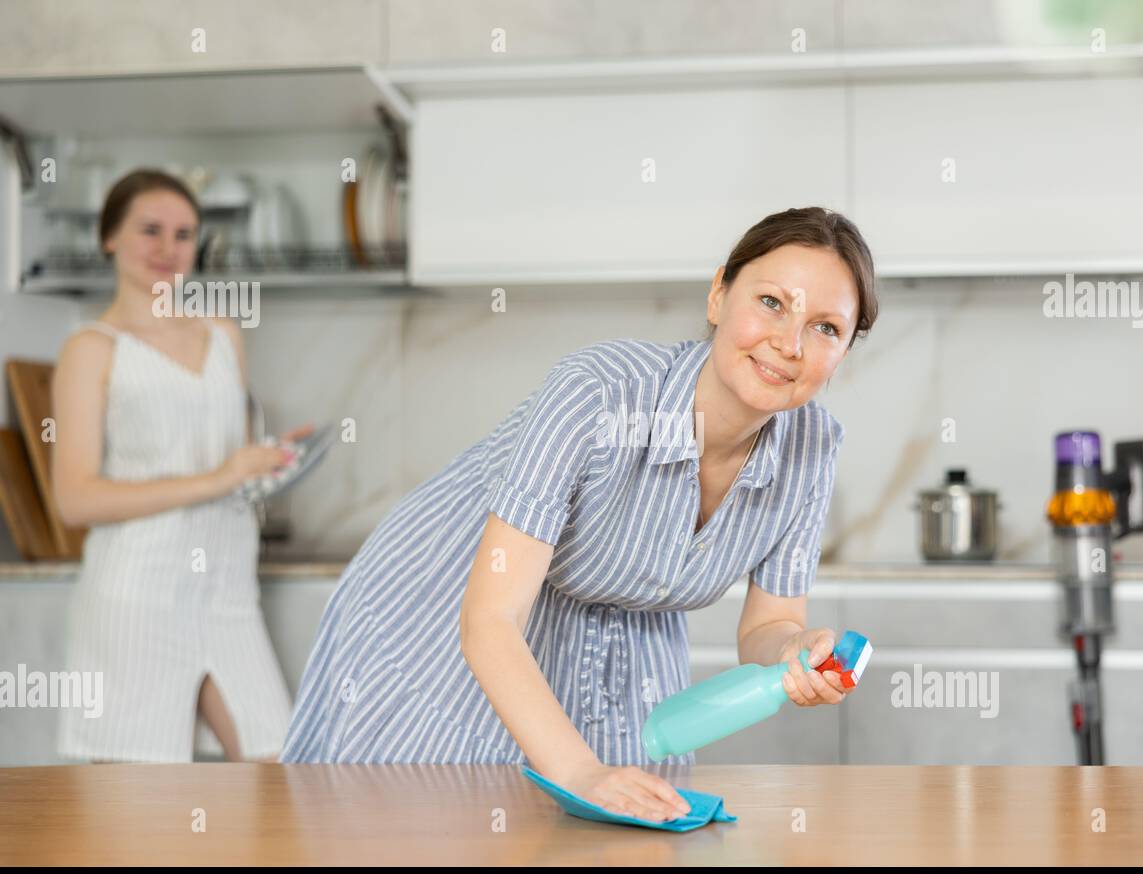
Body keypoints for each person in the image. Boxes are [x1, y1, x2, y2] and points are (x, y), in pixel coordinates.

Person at [282, 206, 878, 821]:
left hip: (624, 631)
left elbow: (767, 626)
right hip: (455, 609)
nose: (789, 343)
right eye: (772, 302)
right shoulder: (596, 393)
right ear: (719, 294)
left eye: (826, 328)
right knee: (443, 822)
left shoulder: (814, 446)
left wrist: (794, 650)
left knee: (617, 822)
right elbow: (490, 620)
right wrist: (578, 770)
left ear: (845, 352)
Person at [52, 168, 310, 762]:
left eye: (184, 233)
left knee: (280, 773)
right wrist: (220, 476)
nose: (169, 249)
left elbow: (235, 473)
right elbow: (76, 499)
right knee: (133, 817)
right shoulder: (91, 350)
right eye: (150, 230)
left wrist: (271, 461)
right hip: (136, 596)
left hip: (226, 591)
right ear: (109, 237)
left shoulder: (223, 334)